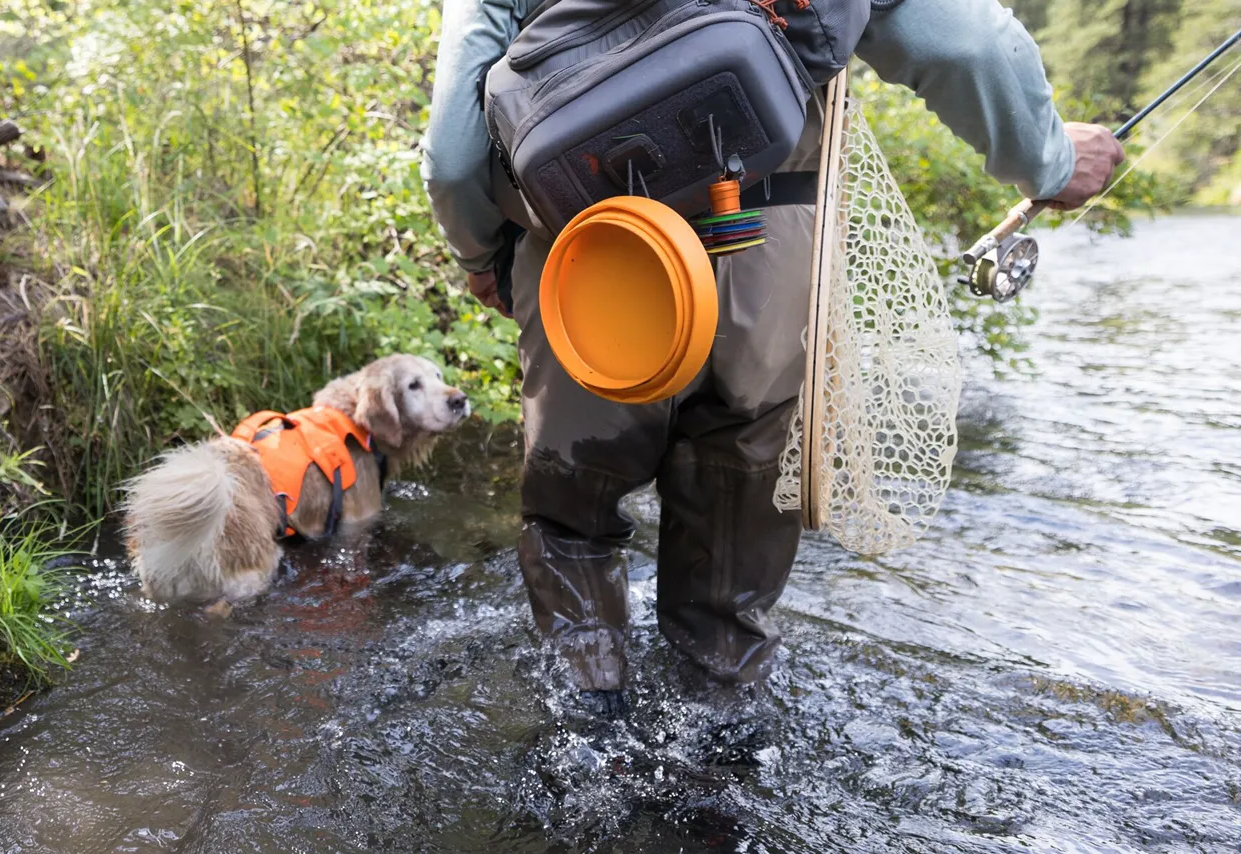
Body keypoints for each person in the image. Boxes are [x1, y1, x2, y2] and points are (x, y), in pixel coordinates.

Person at [422, 0, 1124, 699]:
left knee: (572, 524)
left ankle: (588, 734)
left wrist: (482, 253)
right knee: (733, 551)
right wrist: (1052, 163)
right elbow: (969, 47)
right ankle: (721, 756)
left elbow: (454, 160)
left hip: (594, 257)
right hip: (769, 238)